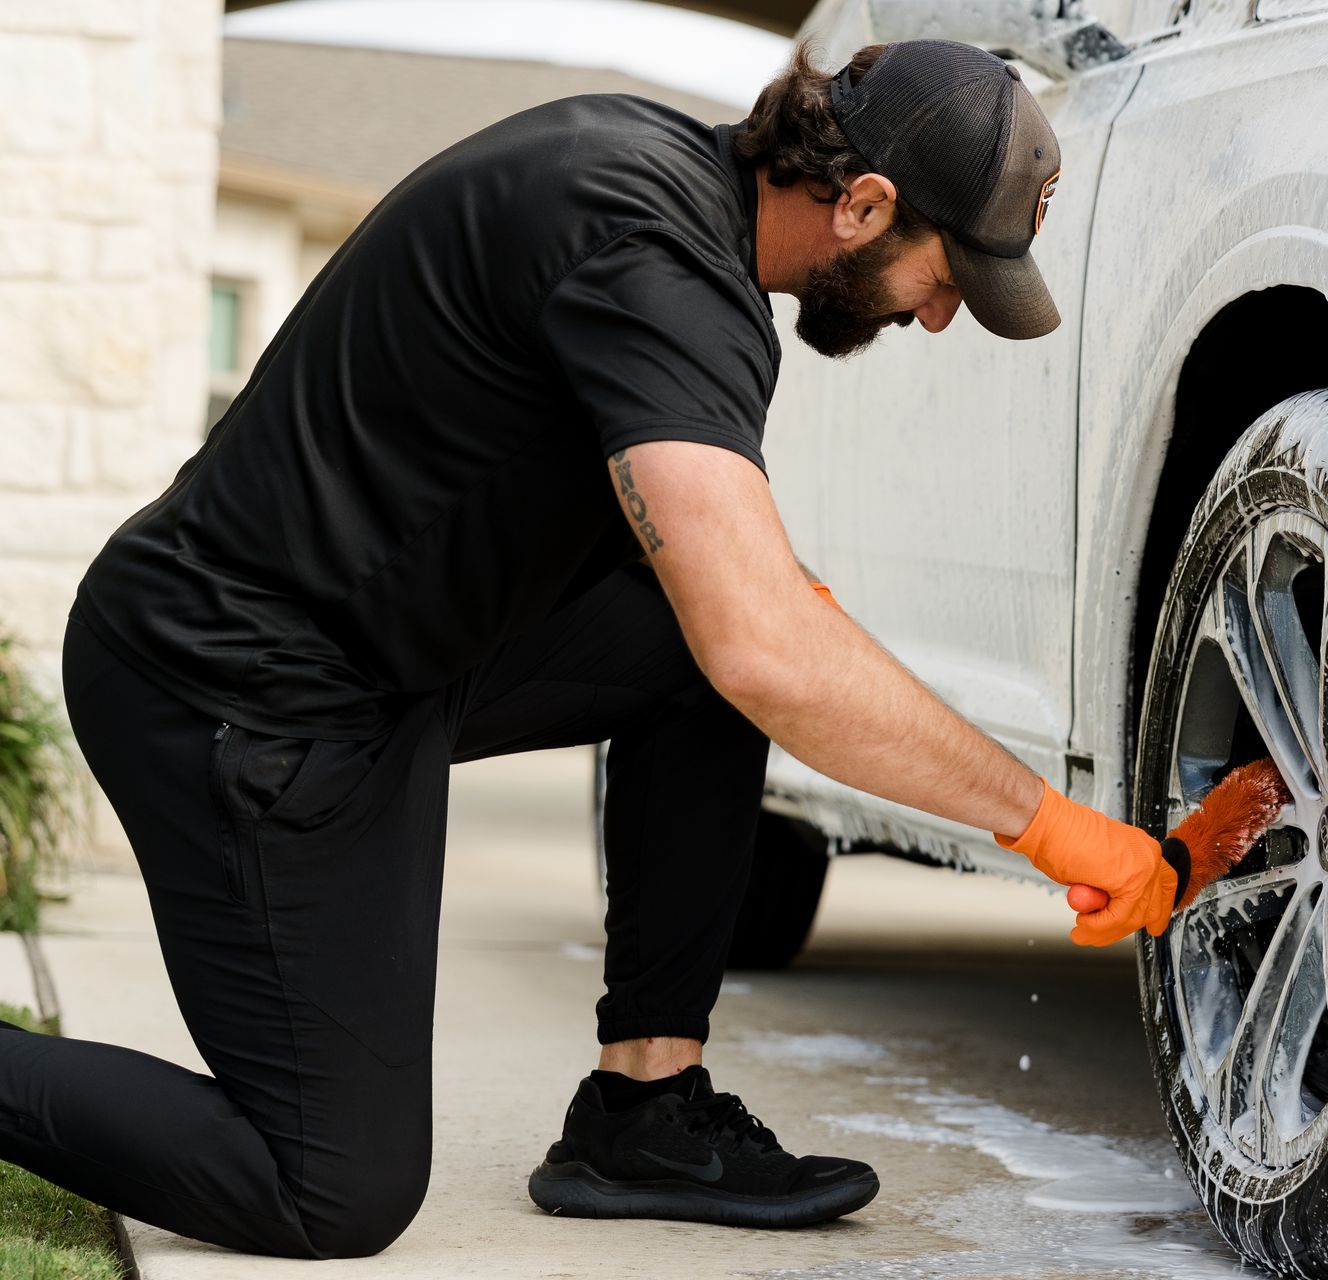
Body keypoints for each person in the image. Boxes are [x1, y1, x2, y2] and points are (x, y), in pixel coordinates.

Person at [0, 38, 1177, 1258]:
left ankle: (644, 1111)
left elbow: (648, 550)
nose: (938, 317)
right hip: (229, 686)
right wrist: (1043, 819)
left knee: (702, 650)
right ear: (864, 205)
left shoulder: (659, 178)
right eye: (946, 277)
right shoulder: (658, 264)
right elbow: (763, 647)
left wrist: (775, 608)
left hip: (383, 653)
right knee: (329, 1186)